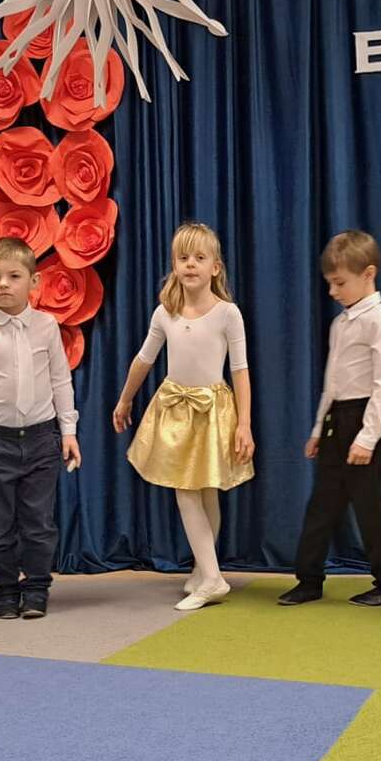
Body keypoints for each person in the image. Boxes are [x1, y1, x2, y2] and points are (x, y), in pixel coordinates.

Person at [112, 222, 255, 611]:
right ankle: (205, 571)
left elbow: (240, 370)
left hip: (212, 410)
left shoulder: (228, 314)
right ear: (174, 265)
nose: (190, 264)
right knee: (188, 489)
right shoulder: (166, 313)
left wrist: (244, 424)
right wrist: (125, 400)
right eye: (183, 257)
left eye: (199, 258)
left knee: (203, 490)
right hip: (175, 409)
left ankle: (211, 577)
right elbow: (144, 359)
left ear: (215, 267)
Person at [279, 229, 381, 608]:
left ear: (368, 274)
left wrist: (367, 437)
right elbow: (331, 384)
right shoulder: (341, 323)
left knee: (367, 508)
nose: (332, 291)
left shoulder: (379, 321)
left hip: (364, 419)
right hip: (338, 418)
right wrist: (319, 428)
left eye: (339, 283)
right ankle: (308, 580)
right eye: (330, 283)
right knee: (321, 505)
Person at [0, 237, 80, 619]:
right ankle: (5, 589)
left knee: (39, 522)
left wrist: (69, 431)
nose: (4, 285)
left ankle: (37, 588)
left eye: (13, 276)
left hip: (42, 437)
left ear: (34, 281)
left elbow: (60, 380)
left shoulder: (47, 326)